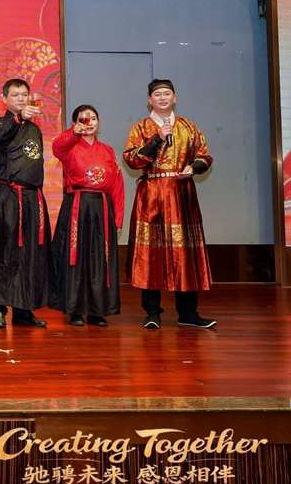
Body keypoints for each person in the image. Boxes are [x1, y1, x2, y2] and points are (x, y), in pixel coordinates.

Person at [123, 79, 216, 329]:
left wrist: (194, 167)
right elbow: (131, 159)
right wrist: (157, 139)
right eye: (157, 94)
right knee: (150, 253)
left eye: (167, 93)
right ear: (149, 100)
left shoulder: (188, 126)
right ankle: (152, 312)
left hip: (181, 193)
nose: (162, 98)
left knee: (184, 251)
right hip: (151, 194)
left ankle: (188, 313)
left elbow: (205, 155)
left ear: (175, 98)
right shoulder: (141, 127)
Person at [0, 78, 50, 328]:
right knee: (3, 250)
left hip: (32, 197)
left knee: (30, 253)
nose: (21, 99)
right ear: (5, 99)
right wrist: (18, 118)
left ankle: (24, 309)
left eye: (24, 94)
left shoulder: (34, 128)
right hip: (7, 196)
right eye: (16, 95)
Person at [50, 105, 125, 326]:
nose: (89, 122)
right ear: (75, 123)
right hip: (77, 206)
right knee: (76, 257)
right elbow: (57, 146)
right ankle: (74, 309)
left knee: (100, 258)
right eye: (83, 119)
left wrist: (118, 218)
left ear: (98, 122)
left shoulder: (108, 151)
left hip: (102, 208)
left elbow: (117, 186)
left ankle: (96, 310)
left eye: (92, 118)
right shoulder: (69, 147)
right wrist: (74, 133)